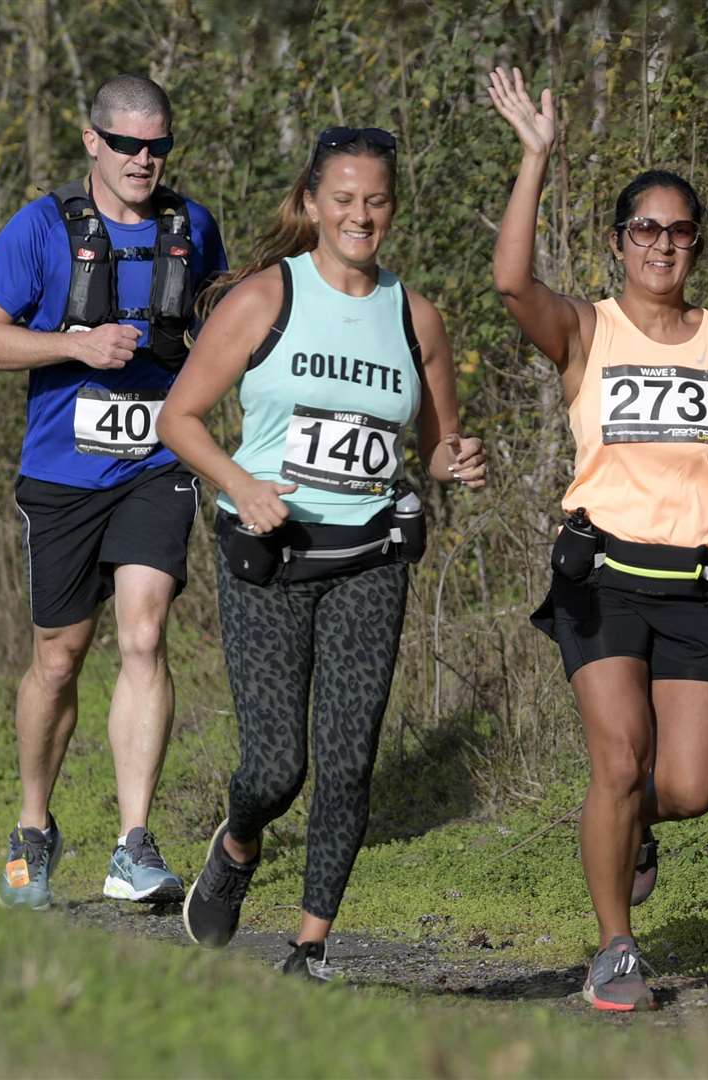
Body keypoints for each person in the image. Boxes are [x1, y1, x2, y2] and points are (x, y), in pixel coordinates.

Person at [487, 67, 708, 1012]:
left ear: (697, 244)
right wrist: (536, 157)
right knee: (618, 758)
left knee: (689, 785)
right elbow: (509, 282)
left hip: (699, 580)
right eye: (645, 229)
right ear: (622, 241)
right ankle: (616, 946)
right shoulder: (587, 327)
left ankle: (629, 828)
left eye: (680, 230)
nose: (663, 244)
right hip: (604, 572)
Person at [157, 125, 487, 979]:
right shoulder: (266, 299)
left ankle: (308, 944)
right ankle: (236, 844)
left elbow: (438, 447)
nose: (360, 216)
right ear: (311, 204)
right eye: (342, 199)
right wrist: (240, 484)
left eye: (376, 200)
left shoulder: (416, 317)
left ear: (393, 208)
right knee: (275, 767)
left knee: (347, 759)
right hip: (271, 549)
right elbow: (178, 418)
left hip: (370, 556)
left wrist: (462, 458)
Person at [0, 74, 228, 910]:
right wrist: (75, 348)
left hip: (157, 463)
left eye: (158, 146)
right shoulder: (41, 227)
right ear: (93, 142)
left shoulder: (193, 228)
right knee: (58, 656)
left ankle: (133, 843)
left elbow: (231, 324)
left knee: (145, 633)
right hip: (62, 474)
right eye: (127, 145)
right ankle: (33, 827)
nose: (143, 160)